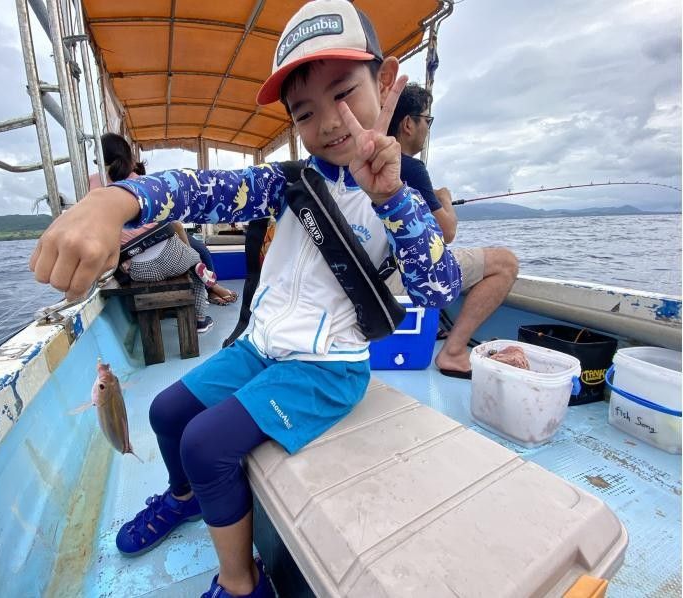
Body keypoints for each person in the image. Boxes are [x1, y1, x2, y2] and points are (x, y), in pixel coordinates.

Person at [30, 2, 460, 596]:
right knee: (166, 413)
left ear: (385, 83)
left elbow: (436, 287)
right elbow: (195, 189)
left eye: (345, 93)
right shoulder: (288, 183)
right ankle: (183, 499)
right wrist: (115, 202)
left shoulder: (403, 186)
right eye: (306, 112)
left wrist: (390, 200)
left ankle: (242, 583)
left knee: (207, 444)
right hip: (263, 348)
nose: (331, 122)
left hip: (326, 368)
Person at [389, 82, 519, 378]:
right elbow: (446, 232)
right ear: (409, 123)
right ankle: (455, 351)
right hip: (398, 280)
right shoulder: (408, 167)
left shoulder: (369, 162)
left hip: (369, 278)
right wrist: (445, 199)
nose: (427, 128)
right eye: (427, 120)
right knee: (505, 263)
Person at [92, 132, 220, 333]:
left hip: (138, 270)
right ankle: (200, 319)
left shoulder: (92, 185)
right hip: (173, 259)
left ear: (98, 159)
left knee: (189, 259)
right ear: (129, 158)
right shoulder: (147, 184)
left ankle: (198, 276)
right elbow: (175, 224)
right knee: (194, 259)